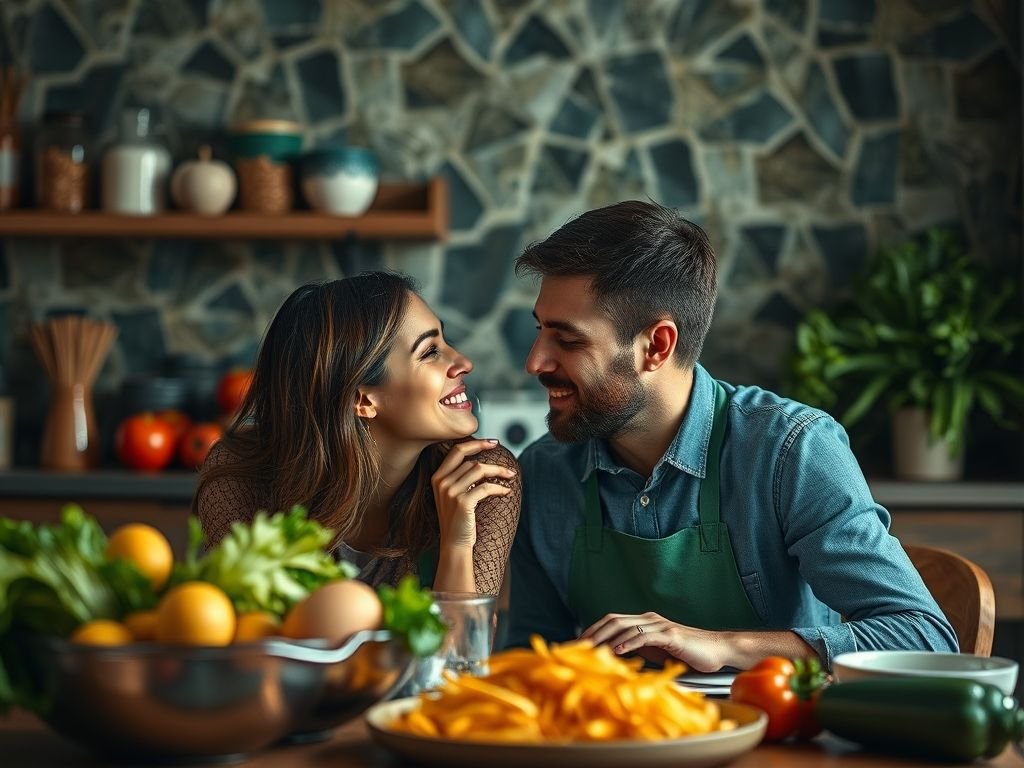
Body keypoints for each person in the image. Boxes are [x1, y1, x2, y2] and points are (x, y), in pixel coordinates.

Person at [505, 201, 957, 671]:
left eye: (569, 340)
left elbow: (922, 638)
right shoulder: (543, 471)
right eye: (540, 331)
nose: (535, 362)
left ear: (657, 345)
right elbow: (530, 659)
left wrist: (723, 646)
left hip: (778, 739)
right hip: (618, 741)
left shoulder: (790, 451)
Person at [195, 272, 520, 595]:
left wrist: (457, 544)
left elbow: (466, 646)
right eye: (430, 352)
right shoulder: (240, 477)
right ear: (363, 399)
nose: (464, 362)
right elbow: (254, 634)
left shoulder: (481, 480)